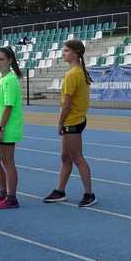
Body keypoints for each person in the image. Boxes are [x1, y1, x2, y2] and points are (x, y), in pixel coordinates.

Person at [43, 40, 96, 207]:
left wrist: (60, 123)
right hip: (76, 119)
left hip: (72, 121)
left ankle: (89, 193)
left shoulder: (72, 74)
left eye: (66, 51)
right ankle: (60, 190)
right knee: (65, 157)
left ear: (75, 53)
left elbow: (67, 104)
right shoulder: (79, 72)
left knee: (77, 158)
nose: (63, 53)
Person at [0, 47, 24, 209]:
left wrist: (1, 129)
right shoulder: (3, 79)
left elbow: (8, 107)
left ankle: (11, 197)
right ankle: (3, 191)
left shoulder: (10, 80)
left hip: (7, 129)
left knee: (7, 162)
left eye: (1, 59)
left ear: (10, 60)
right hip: (0, 128)